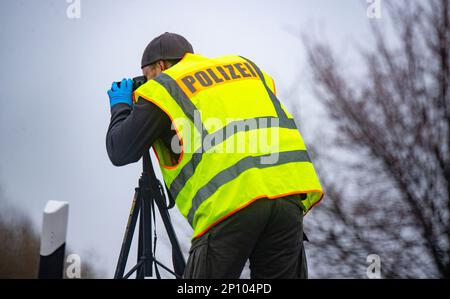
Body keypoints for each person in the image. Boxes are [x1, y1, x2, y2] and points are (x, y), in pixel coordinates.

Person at [106, 32, 323, 279]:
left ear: (161, 66)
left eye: (147, 76)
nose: (146, 84)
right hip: (287, 197)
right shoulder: (244, 67)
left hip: (231, 203)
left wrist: (121, 107)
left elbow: (120, 149)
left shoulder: (165, 86)